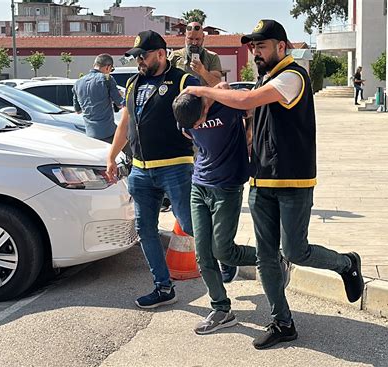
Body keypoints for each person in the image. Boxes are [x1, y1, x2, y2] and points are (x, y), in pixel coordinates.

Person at [182, 19, 364, 349]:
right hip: (261, 178)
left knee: (296, 250)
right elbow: (250, 112)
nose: (255, 52)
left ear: (282, 47)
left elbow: (247, 101)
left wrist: (201, 89)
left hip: (294, 180)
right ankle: (283, 322)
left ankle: (346, 263)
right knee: (267, 257)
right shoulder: (267, 75)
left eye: (261, 46)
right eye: (253, 47)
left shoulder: (293, 76)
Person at [172, 92, 290, 335]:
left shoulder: (227, 106)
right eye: (191, 126)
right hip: (199, 185)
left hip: (227, 187)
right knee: (203, 254)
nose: (194, 128)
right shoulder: (185, 114)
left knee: (223, 251)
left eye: (197, 123)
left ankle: (273, 258)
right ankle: (221, 309)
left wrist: (249, 134)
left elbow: (252, 105)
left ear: (204, 109)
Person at [106, 30, 200, 309]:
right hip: (140, 171)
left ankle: (224, 260)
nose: (139, 61)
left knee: (191, 224)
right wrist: (111, 157)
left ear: (160, 53)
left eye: (143, 56)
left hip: (175, 168)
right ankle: (163, 287)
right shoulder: (134, 83)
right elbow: (125, 124)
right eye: (136, 57)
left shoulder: (183, 80)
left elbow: (205, 113)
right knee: (145, 229)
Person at [73, 54, 123, 143]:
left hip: (90, 133)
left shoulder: (78, 82)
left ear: (94, 65)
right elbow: (120, 104)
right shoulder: (107, 78)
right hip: (108, 131)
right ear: (108, 67)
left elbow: (78, 110)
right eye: (111, 69)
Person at [168, 22, 222, 87]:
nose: (194, 43)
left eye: (197, 39)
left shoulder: (212, 57)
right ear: (185, 38)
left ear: (203, 38)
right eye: (190, 39)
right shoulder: (175, 56)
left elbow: (218, 85)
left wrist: (203, 72)